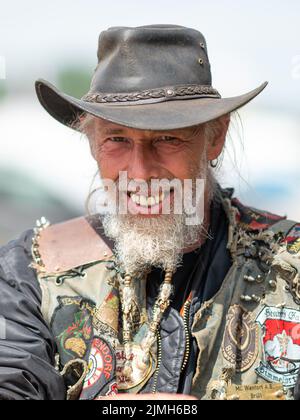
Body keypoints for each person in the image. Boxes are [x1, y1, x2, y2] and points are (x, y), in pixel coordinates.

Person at [0, 24, 299, 401]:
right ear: (93, 145)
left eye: (167, 138)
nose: (140, 173)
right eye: (117, 140)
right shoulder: (30, 271)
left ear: (215, 137)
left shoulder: (291, 266)